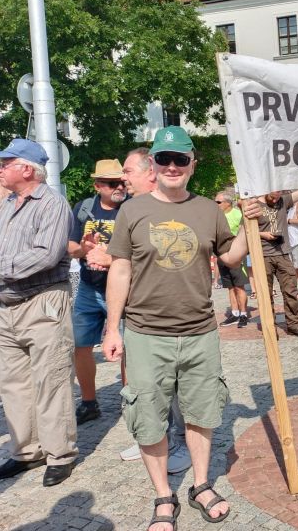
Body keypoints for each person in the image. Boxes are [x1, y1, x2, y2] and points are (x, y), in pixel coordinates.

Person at [102, 127, 250, 529]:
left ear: (192, 165)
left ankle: (201, 485)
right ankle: (163, 496)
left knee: (201, 413)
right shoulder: (133, 210)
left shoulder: (208, 210)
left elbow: (231, 257)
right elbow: (120, 268)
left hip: (200, 330)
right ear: (153, 164)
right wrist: (112, 329)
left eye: (180, 159)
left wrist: (250, 227)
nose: (171, 166)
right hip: (146, 333)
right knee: (148, 416)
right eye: (163, 159)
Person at [0, 138, 77, 486]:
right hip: (8, 307)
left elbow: (46, 255)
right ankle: (26, 453)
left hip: (43, 302)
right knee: (15, 386)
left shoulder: (53, 204)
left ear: (26, 169)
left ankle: (60, 455)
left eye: (5, 162)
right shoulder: (5, 206)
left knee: (52, 381)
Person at [113, 146, 191, 474]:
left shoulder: (183, 209)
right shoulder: (132, 210)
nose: (122, 178)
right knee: (146, 384)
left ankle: (181, 441)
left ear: (149, 173)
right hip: (139, 316)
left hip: (176, 321)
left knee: (175, 385)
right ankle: (154, 436)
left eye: (128, 171)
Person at [67, 159, 127, 426]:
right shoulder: (83, 208)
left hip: (124, 290)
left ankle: (130, 402)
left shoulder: (132, 209)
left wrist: (109, 259)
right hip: (89, 289)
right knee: (80, 346)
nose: (119, 187)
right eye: (113, 183)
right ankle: (89, 402)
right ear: (98, 186)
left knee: (129, 348)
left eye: (122, 182)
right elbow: (71, 248)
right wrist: (83, 248)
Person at [257, 190, 298, 337]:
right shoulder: (255, 205)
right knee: (266, 295)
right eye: (273, 197)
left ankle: (293, 324)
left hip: (283, 253)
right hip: (263, 255)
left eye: (278, 197)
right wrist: (263, 234)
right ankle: (269, 327)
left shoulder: (283, 201)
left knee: (290, 291)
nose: (275, 200)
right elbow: (246, 230)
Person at [215, 191, 249, 328]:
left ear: (227, 203)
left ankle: (243, 315)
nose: (215, 204)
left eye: (218, 202)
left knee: (239, 286)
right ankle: (234, 313)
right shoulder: (217, 215)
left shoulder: (237, 214)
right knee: (229, 286)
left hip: (235, 255)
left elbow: (245, 231)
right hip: (221, 254)